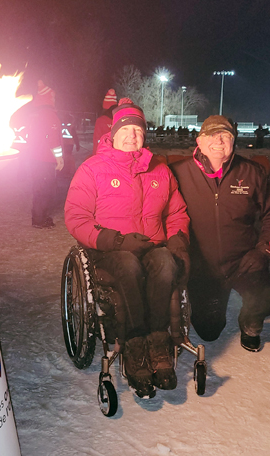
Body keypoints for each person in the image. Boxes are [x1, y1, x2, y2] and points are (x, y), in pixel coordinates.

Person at [65, 99, 190, 398]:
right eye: (126, 129)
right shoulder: (93, 168)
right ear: (114, 132)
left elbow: (176, 213)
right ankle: (135, 345)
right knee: (128, 265)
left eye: (138, 130)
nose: (132, 135)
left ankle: (158, 343)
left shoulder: (160, 169)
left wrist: (177, 239)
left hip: (151, 245)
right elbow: (77, 217)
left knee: (164, 262)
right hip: (108, 248)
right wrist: (115, 240)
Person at [169, 115, 270, 352]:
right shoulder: (178, 173)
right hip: (202, 267)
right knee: (209, 331)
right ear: (199, 141)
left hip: (243, 262)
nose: (219, 140)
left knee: (265, 294)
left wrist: (262, 250)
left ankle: (250, 323)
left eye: (226, 135)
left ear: (234, 142)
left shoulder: (252, 173)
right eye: (212, 135)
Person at [26, 80, 64, 228]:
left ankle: (38, 217)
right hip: (46, 160)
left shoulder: (34, 115)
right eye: (53, 97)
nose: (54, 100)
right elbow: (53, 139)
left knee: (38, 189)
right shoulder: (50, 116)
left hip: (34, 158)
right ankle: (40, 220)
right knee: (46, 190)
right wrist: (59, 158)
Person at [92, 88, 117, 155]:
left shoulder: (100, 120)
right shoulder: (119, 119)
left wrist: (95, 155)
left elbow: (96, 140)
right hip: (117, 154)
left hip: (103, 154)